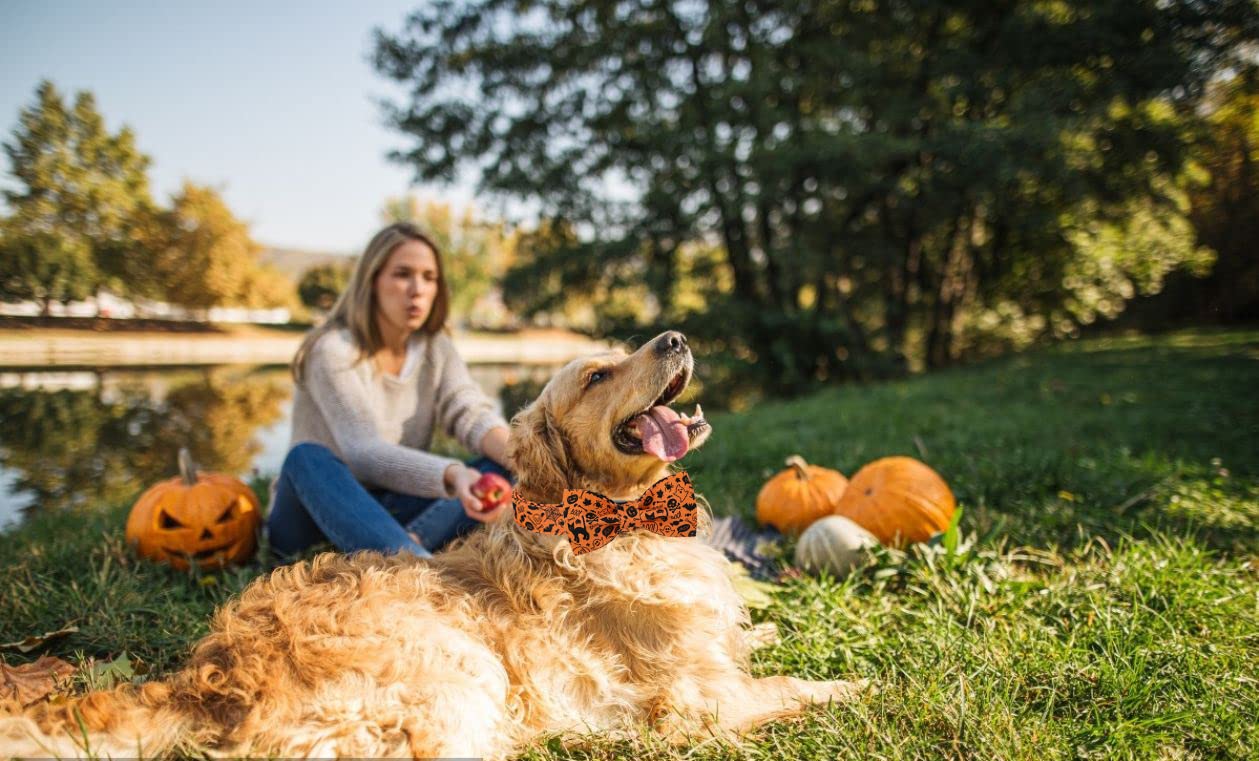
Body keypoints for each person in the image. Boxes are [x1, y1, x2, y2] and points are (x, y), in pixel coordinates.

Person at [265, 222, 513, 559]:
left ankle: (401, 549)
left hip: (390, 508)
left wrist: (533, 460)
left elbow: (470, 413)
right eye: (402, 274)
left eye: (429, 277)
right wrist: (454, 474)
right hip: (314, 512)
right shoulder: (332, 350)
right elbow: (363, 452)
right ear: (372, 281)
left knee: (502, 464)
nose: (418, 289)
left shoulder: (437, 348)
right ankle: (413, 562)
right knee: (305, 457)